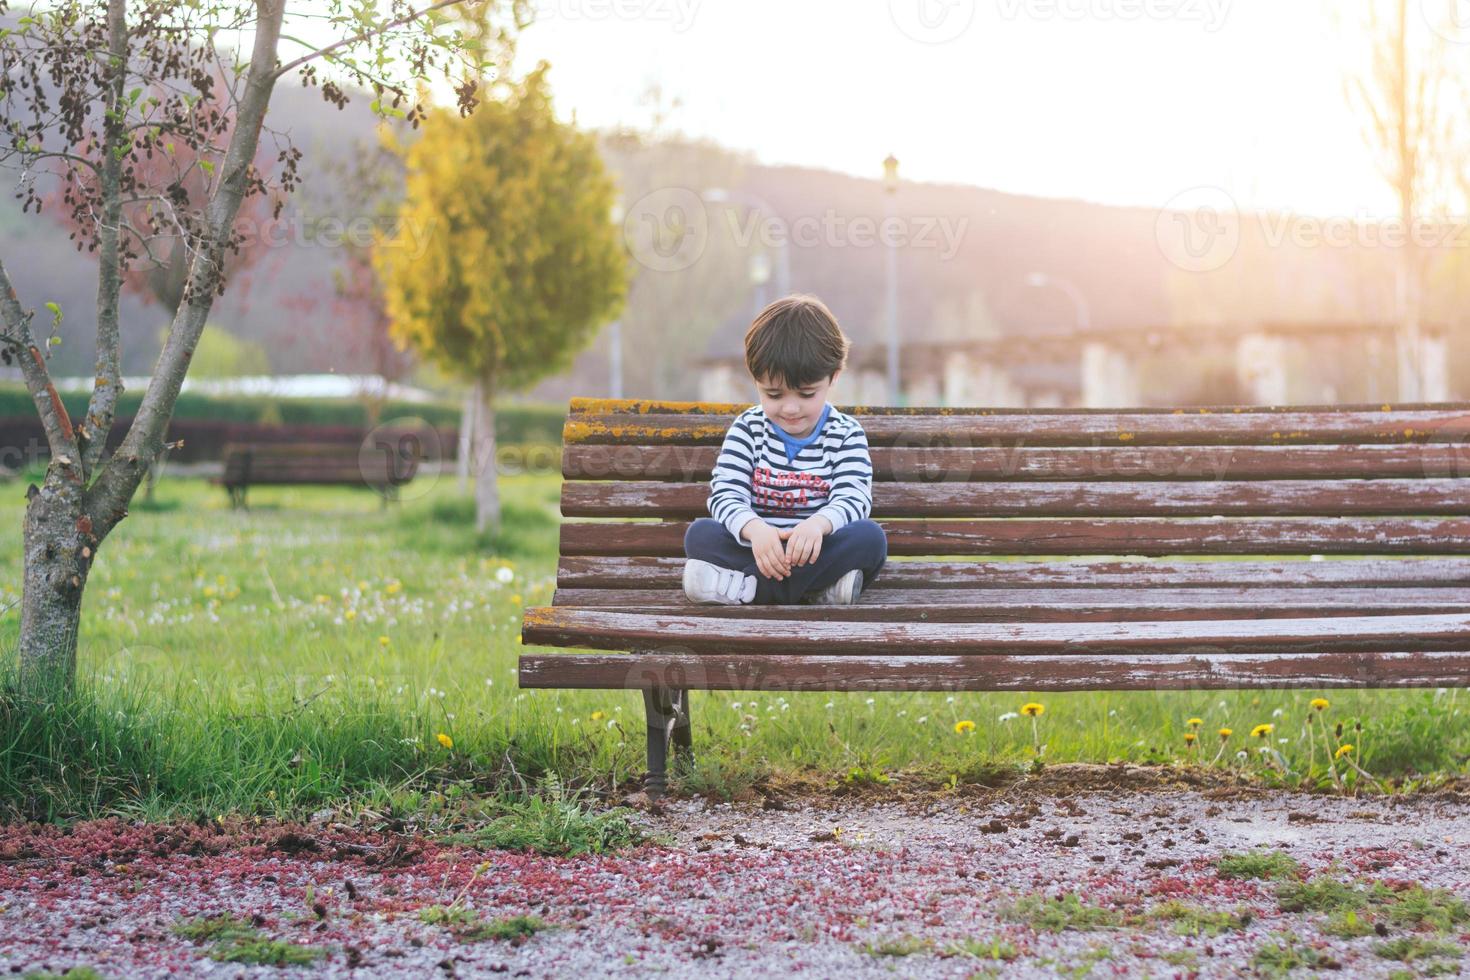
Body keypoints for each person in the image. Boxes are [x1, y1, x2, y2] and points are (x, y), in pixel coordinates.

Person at [682, 294, 887, 605]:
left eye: (806, 394)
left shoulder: (845, 434)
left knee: (870, 539)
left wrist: (818, 525)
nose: (790, 408)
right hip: (756, 548)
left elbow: (854, 497)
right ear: (756, 381)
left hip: (818, 550)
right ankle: (817, 591)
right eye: (774, 394)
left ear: (833, 377)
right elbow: (725, 494)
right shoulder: (748, 429)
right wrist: (755, 530)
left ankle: (747, 590)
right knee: (700, 535)